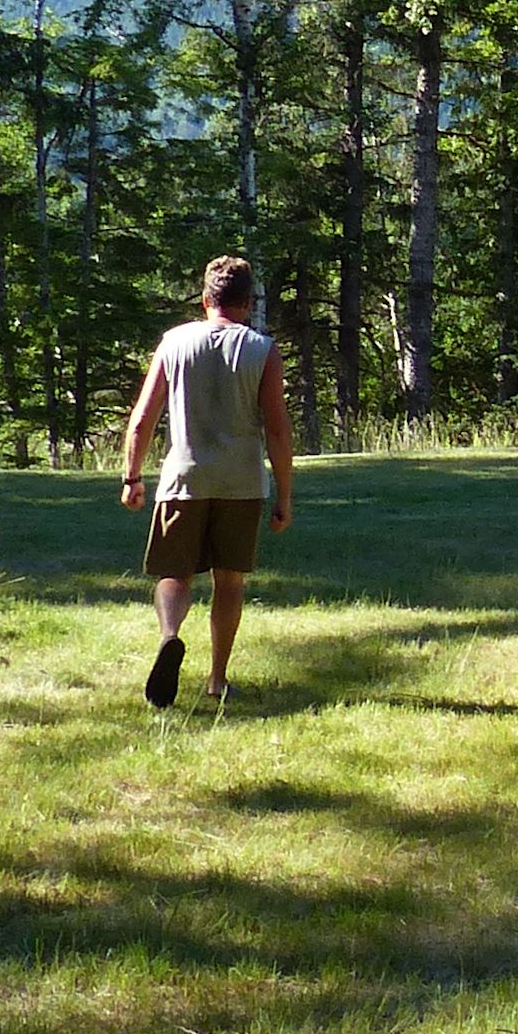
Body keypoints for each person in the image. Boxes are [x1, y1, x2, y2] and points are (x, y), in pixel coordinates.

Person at [117, 255, 296, 709]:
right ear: (248, 303)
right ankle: (217, 678)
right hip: (240, 481)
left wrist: (132, 477)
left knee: (174, 573)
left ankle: (170, 636)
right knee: (229, 581)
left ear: (205, 300)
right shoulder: (262, 349)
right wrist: (285, 496)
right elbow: (277, 429)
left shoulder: (174, 342)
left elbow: (142, 419)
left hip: (183, 478)